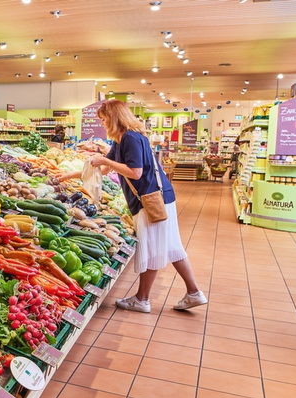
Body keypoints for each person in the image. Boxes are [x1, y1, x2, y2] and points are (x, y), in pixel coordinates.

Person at [57, 99, 207, 313]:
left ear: (114, 118)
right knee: (171, 246)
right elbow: (104, 171)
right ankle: (193, 293)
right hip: (158, 197)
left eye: (104, 119)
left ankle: (143, 299)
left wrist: (105, 161)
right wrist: (67, 176)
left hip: (150, 200)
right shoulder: (122, 139)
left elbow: (135, 172)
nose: (102, 123)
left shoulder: (130, 138)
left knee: (154, 248)